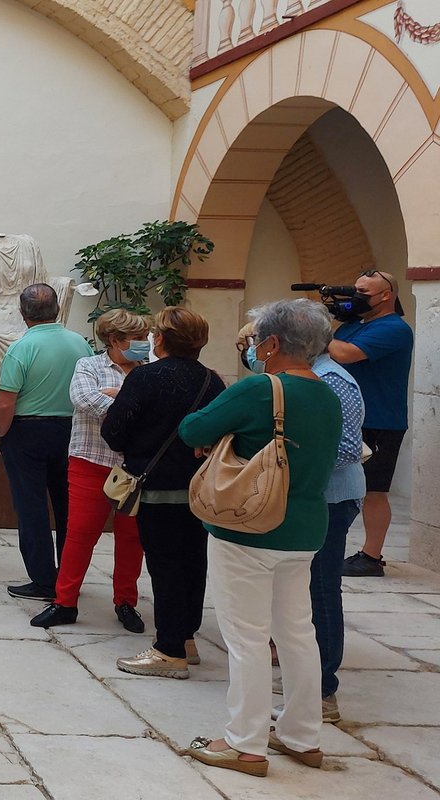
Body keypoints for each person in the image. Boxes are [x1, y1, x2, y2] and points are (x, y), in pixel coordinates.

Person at [180, 299, 340, 777]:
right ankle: (302, 735)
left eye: (255, 342)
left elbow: (194, 427)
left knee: (246, 637)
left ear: (271, 343)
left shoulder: (260, 389)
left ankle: (244, 743)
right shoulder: (328, 392)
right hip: (305, 528)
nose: (252, 349)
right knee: (297, 633)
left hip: (248, 526)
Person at [101, 307, 224, 680]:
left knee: (165, 566)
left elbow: (115, 432)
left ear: (161, 339)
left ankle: (169, 651)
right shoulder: (211, 381)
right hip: (199, 488)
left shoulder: (146, 378)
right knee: (193, 562)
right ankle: (185, 637)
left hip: (157, 486)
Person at [31, 310, 150, 631]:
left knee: (131, 538)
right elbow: (84, 400)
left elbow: (153, 412)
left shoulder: (149, 370)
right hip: (90, 463)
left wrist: (117, 397)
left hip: (133, 469)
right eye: (137, 339)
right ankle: (65, 603)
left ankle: (126, 602)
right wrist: (132, 403)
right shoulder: (89, 366)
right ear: (114, 340)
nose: (144, 344)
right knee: (80, 536)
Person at [281, 329, 364, 725]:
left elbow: (348, 447)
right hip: (313, 496)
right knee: (304, 588)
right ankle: (307, 677)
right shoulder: (310, 377)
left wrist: (284, 462)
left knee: (322, 588)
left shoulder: (331, 381)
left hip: (331, 498)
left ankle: (323, 690)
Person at [0, 283, 93, 602]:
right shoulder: (81, 343)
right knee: (68, 508)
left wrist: (1, 433)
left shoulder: (21, 348)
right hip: (72, 430)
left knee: (32, 507)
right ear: (58, 309)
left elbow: (6, 402)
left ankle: (42, 580)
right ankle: (68, 575)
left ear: (23, 314)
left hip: (28, 431)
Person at [329, 270, 412, 578]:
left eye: (364, 293)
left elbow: (346, 354)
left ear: (386, 295)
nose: (357, 298)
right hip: (351, 417)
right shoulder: (353, 325)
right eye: (356, 290)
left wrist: (314, 331)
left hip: (380, 421)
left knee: (374, 490)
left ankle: (371, 556)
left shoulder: (393, 328)